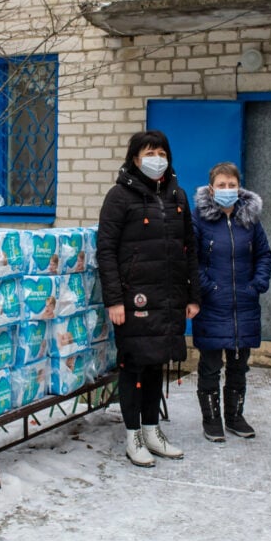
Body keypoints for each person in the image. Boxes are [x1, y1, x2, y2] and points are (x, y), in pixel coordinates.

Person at [97, 130, 201, 467]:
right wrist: (114, 300)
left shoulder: (178, 197)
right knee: (133, 365)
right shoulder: (119, 196)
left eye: (160, 152)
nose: (155, 158)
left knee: (157, 364)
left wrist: (192, 295)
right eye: (148, 152)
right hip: (134, 299)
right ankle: (133, 435)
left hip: (168, 297)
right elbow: (106, 251)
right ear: (134, 158)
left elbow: (190, 250)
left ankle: (152, 429)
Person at [191, 162, 271, 443]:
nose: (227, 190)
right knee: (211, 366)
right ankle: (211, 419)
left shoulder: (250, 219)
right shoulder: (199, 220)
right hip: (213, 305)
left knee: (239, 366)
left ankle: (235, 416)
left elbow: (264, 254)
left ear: (240, 187)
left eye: (232, 185)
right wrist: (207, 287)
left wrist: (257, 285)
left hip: (245, 306)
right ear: (212, 189)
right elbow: (191, 260)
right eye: (222, 185)